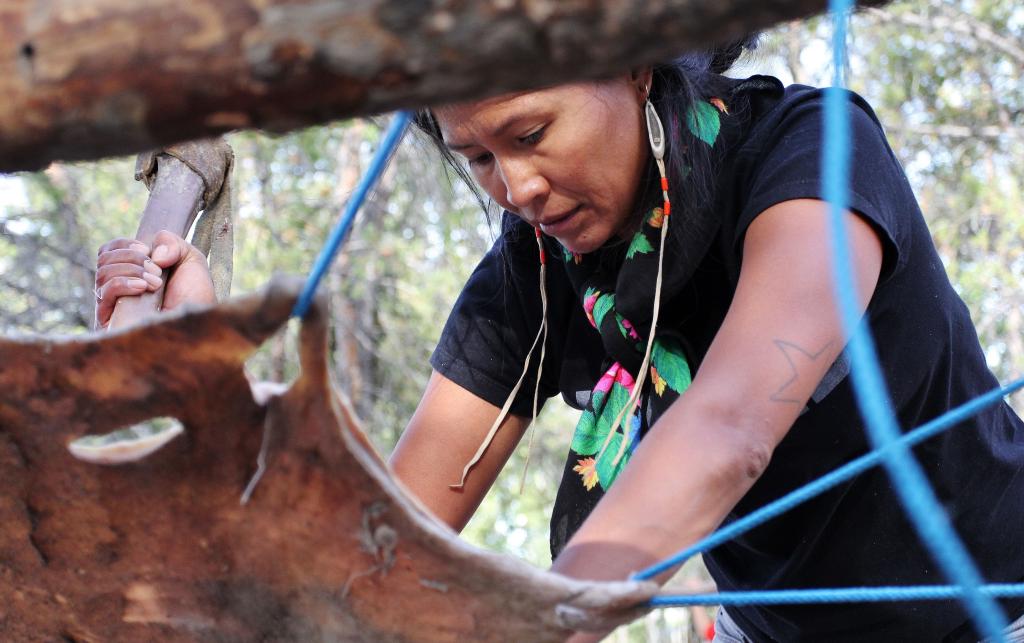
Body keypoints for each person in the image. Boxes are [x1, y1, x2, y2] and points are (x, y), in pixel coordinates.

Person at [95, 38, 1024, 642]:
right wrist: (197, 369)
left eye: (532, 133)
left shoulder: (812, 153)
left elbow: (732, 425)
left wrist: (541, 616)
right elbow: (379, 532)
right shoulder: (535, 272)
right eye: (480, 159)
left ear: (634, 61)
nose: (519, 186)